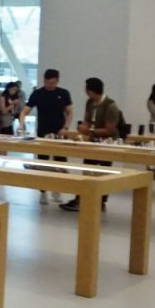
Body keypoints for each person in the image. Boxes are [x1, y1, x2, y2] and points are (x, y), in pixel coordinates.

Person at [59, 77, 121, 212]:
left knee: (104, 172)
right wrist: (83, 129)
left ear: (91, 91)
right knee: (87, 168)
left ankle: (101, 201)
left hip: (108, 142)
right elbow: (87, 121)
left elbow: (110, 129)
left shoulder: (111, 106)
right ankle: (81, 199)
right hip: (92, 141)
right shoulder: (90, 103)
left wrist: (89, 130)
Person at [21, 69, 74, 204]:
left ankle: (57, 190)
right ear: (44, 80)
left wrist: (66, 127)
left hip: (59, 134)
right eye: (47, 82)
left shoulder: (63, 93)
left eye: (52, 83)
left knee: (60, 163)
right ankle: (43, 192)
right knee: (42, 163)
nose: (49, 85)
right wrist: (21, 123)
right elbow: (25, 110)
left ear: (57, 81)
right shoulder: (38, 93)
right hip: (43, 133)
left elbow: (70, 113)